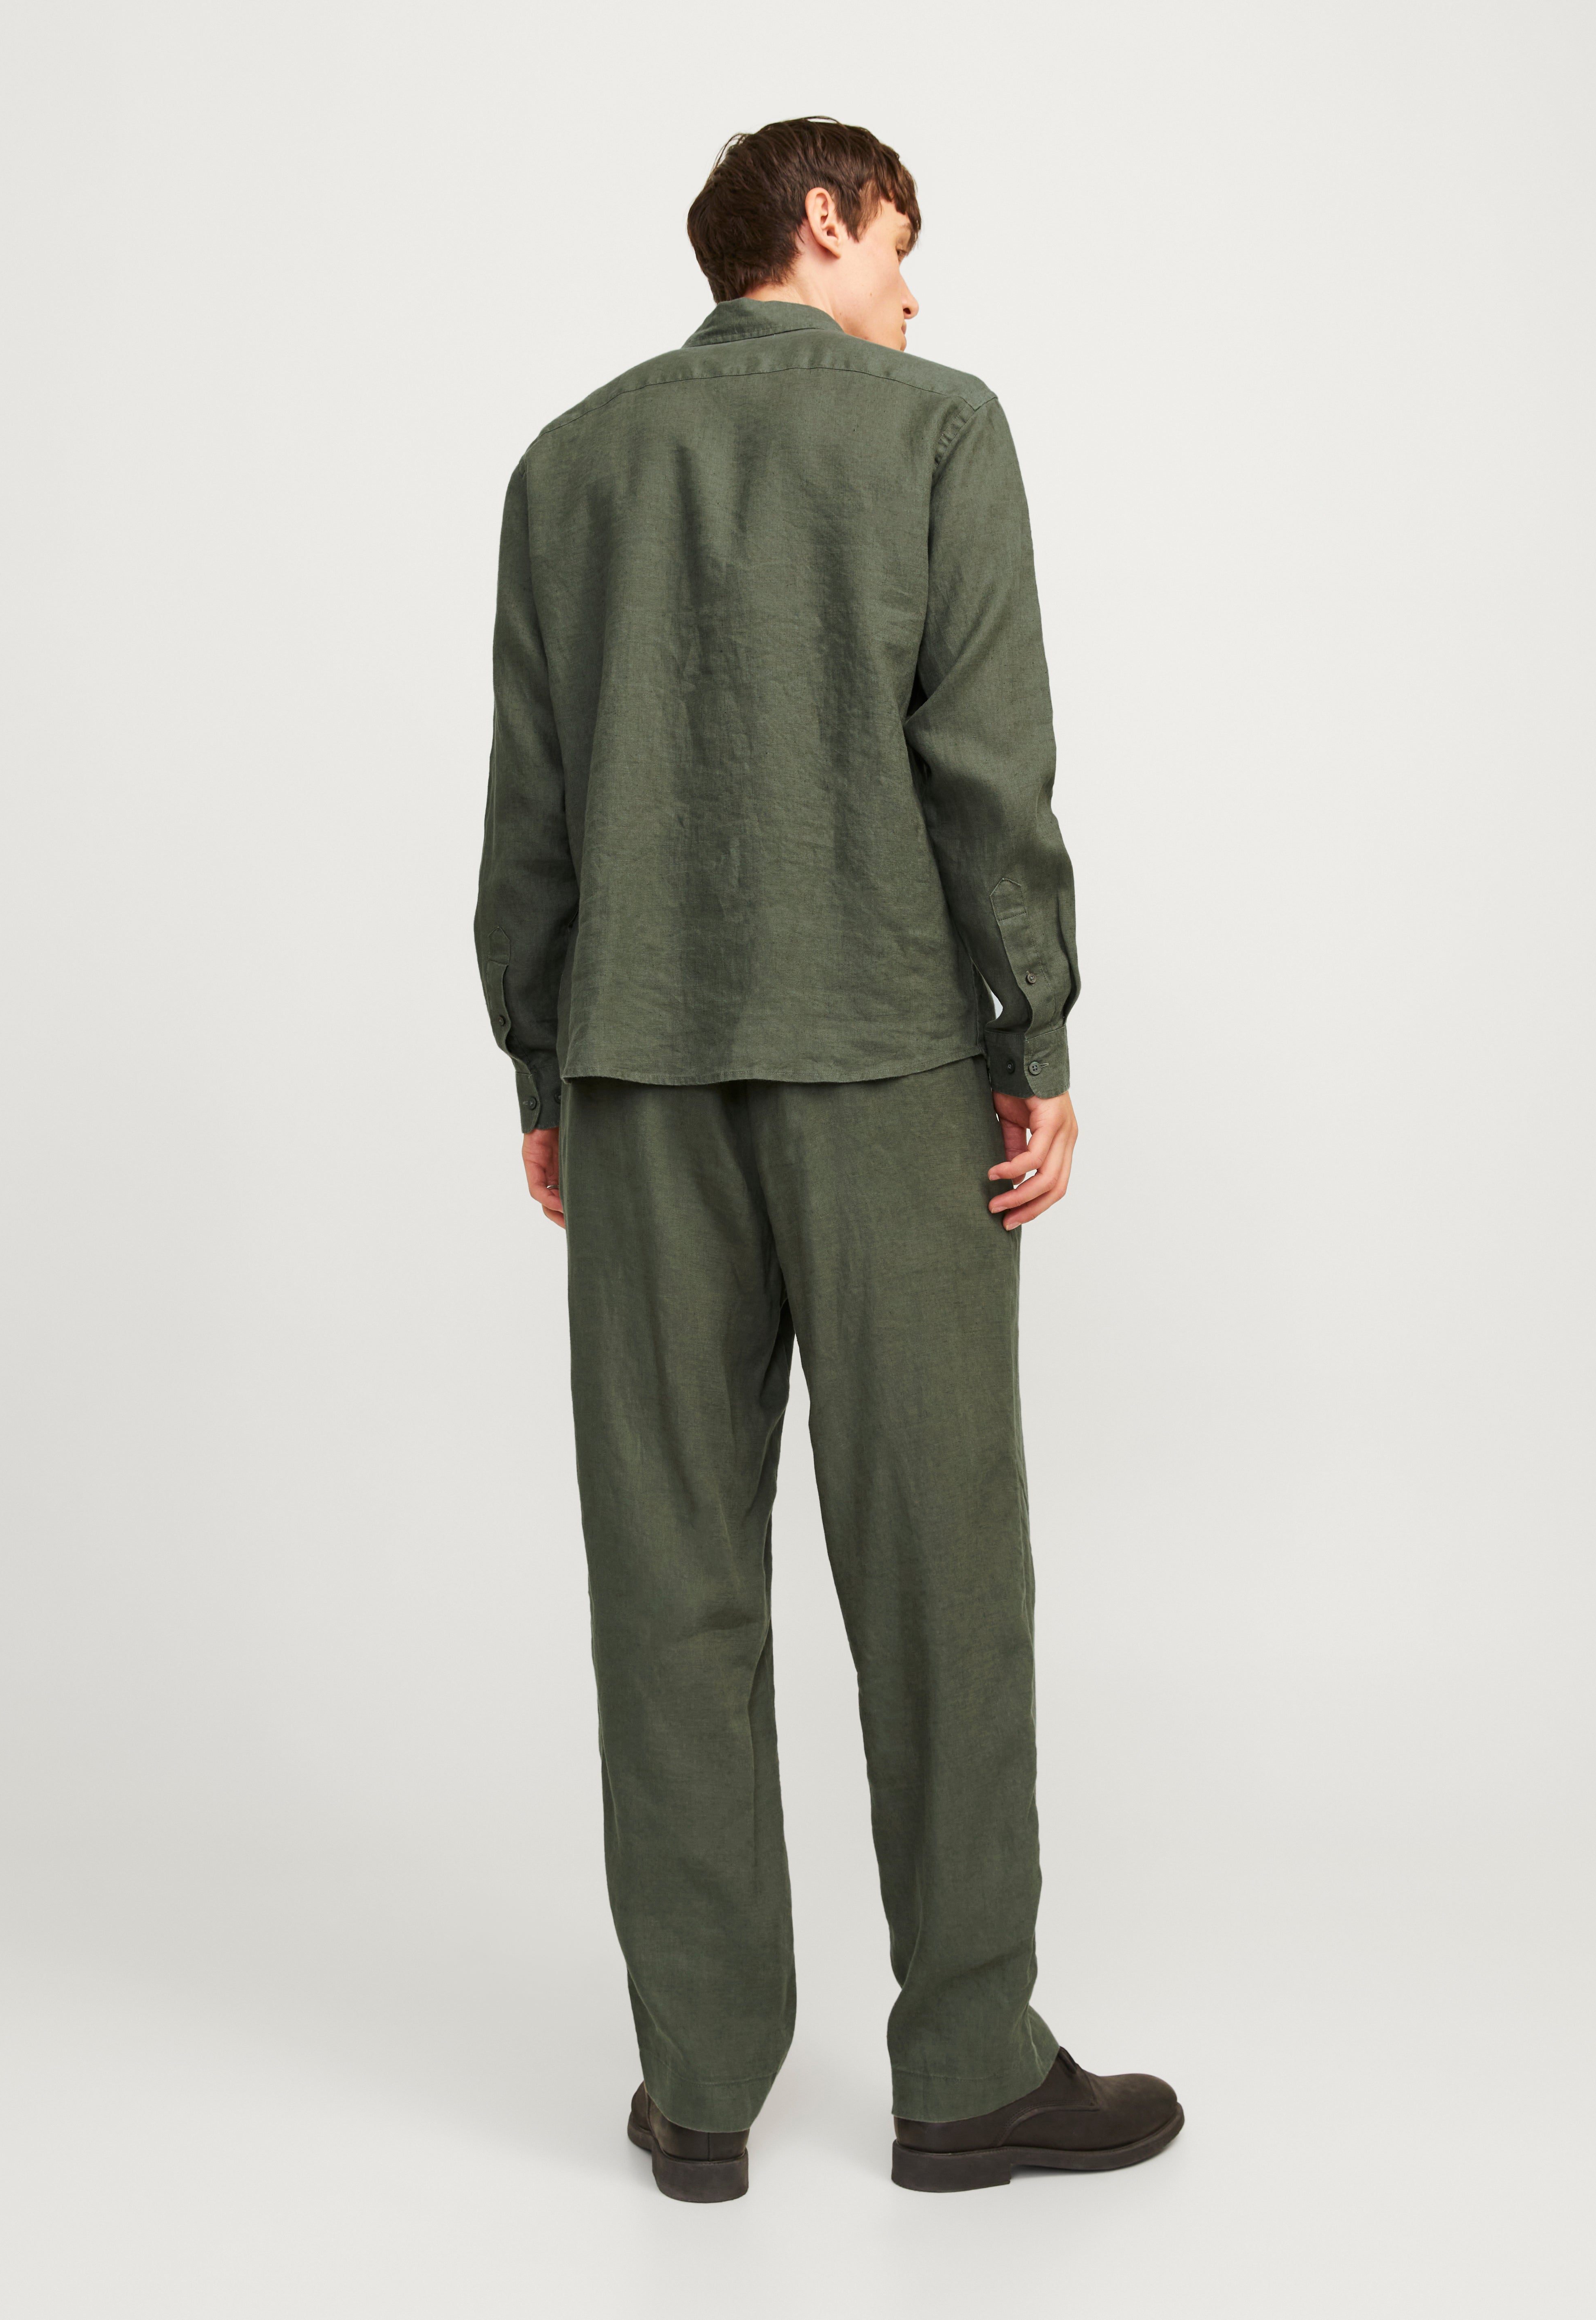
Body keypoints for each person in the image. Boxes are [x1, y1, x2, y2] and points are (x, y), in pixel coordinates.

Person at [475, 116, 1182, 2200]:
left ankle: (696, 2088)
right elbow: (985, 766)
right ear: (823, 218)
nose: (909, 286)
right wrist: (1030, 1034)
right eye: (897, 243)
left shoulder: (568, 464)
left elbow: (532, 800)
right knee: (938, 1570)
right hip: (884, 1065)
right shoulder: (938, 428)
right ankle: (964, 2066)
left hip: (640, 1074)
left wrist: (543, 1065)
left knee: (669, 1578)